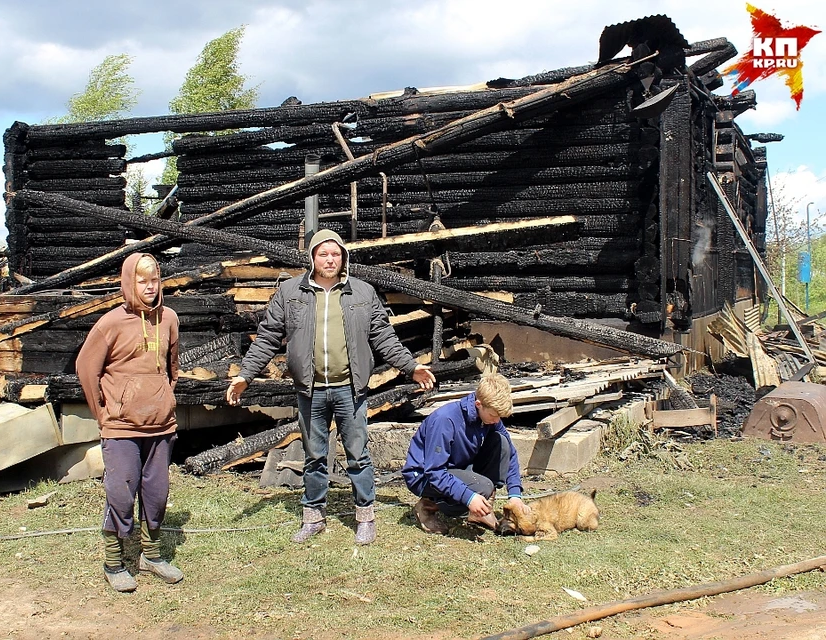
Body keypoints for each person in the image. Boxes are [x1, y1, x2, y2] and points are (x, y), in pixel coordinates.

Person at [226, 229, 436, 545]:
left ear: (343, 258)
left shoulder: (363, 293)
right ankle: (313, 517)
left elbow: (383, 337)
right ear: (312, 258)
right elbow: (269, 336)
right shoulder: (291, 293)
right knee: (314, 455)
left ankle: (365, 517)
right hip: (310, 390)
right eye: (323, 253)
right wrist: (246, 375)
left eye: (335, 254)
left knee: (357, 454)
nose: (329, 259)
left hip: (350, 389)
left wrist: (411, 366)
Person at [76, 253, 184, 592]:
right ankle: (114, 561)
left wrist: (165, 396)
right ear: (129, 282)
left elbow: (173, 367)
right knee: (121, 492)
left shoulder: (169, 318)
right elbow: (85, 368)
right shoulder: (110, 323)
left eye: (154, 279)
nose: (150, 286)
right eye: (142, 280)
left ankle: (151, 555)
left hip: (161, 425)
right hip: (121, 427)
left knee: (156, 492)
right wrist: (104, 412)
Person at [402, 372, 530, 535]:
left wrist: (515, 495)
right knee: (482, 486)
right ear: (478, 404)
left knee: (501, 442)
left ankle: (482, 509)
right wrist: (469, 497)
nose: (497, 421)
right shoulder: (445, 420)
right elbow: (434, 471)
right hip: (424, 476)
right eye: (493, 415)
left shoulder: (488, 417)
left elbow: (510, 453)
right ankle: (427, 506)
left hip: (455, 468)